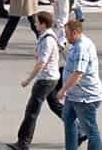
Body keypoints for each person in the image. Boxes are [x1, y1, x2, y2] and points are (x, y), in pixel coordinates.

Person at [6, 10, 63, 150]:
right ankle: (80, 131)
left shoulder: (47, 40)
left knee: (31, 111)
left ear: (43, 24)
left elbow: (41, 63)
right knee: (56, 106)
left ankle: (23, 142)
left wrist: (29, 79)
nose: (35, 24)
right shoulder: (47, 36)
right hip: (52, 78)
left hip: (45, 80)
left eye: (37, 22)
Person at [58, 18, 102, 150]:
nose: (65, 37)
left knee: (91, 131)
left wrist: (63, 90)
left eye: (67, 34)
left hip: (85, 98)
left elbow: (78, 73)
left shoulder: (82, 48)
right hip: (74, 95)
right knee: (68, 120)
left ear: (75, 32)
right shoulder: (77, 44)